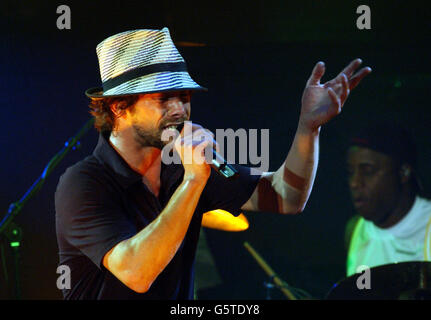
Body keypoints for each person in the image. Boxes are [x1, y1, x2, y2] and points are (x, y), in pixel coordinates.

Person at [55, 27, 371, 299]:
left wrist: (308, 127)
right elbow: (136, 273)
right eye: (165, 98)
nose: (180, 110)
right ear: (119, 108)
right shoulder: (83, 183)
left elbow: (286, 197)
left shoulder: (182, 166)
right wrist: (194, 180)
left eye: (185, 97)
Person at [345, 122, 431, 277]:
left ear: (403, 172)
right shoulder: (354, 230)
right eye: (351, 172)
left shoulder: (427, 225)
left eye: (368, 171)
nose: (355, 182)